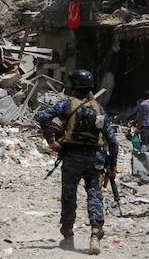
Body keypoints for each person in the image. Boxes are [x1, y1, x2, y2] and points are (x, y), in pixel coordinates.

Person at [35, 69, 119, 255]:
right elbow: (112, 140)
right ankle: (95, 233)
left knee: (68, 196)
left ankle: (68, 234)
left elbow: (42, 117)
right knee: (95, 194)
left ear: (73, 87)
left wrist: (52, 141)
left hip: (71, 157)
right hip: (95, 158)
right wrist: (113, 165)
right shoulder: (98, 109)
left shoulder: (66, 105)